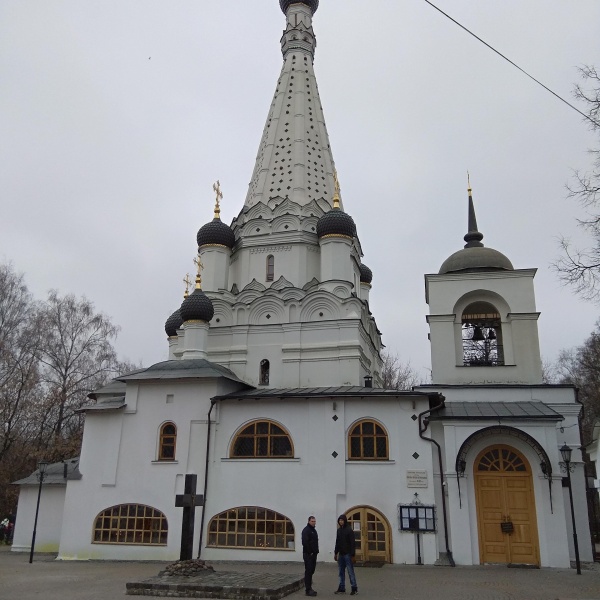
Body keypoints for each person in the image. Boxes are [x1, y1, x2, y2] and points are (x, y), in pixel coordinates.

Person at [334, 514, 357, 595]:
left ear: (345, 521)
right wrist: (336, 552)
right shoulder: (339, 530)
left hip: (348, 554)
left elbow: (352, 543)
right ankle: (342, 588)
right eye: (339, 520)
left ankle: (354, 588)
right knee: (341, 572)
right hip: (341, 554)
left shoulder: (349, 530)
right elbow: (337, 542)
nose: (341, 522)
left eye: (342, 520)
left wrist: (353, 555)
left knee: (350, 572)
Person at [301, 515, 319, 596]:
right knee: (308, 571)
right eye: (312, 521)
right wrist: (310, 552)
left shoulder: (313, 530)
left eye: (314, 521)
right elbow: (305, 542)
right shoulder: (306, 530)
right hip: (308, 554)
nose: (313, 522)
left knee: (311, 571)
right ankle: (308, 590)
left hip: (313, 554)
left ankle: (309, 587)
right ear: (308, 521)